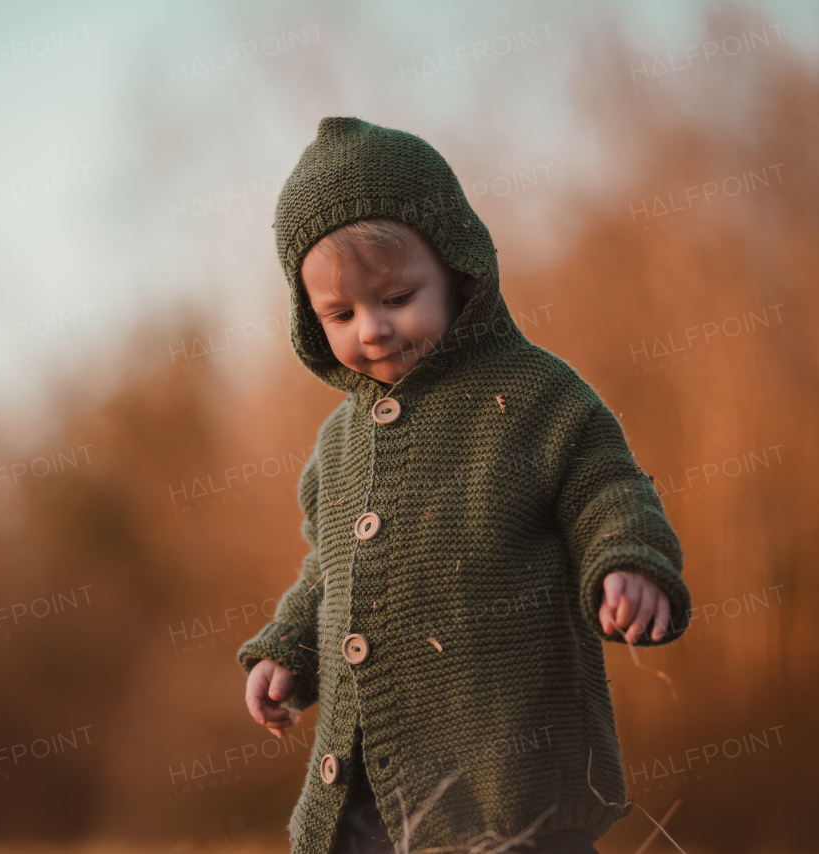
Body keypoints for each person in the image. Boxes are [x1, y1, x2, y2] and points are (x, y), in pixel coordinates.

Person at [237, 116, 690, 854]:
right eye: (341, 314)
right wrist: (285, 650)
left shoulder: (536, 395)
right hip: (366, 790)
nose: (373, 330)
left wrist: (630, 564)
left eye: (397, 296)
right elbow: (327, 568)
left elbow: (609, 490)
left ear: (458, 268)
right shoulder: (337, 443)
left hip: (510, 778)